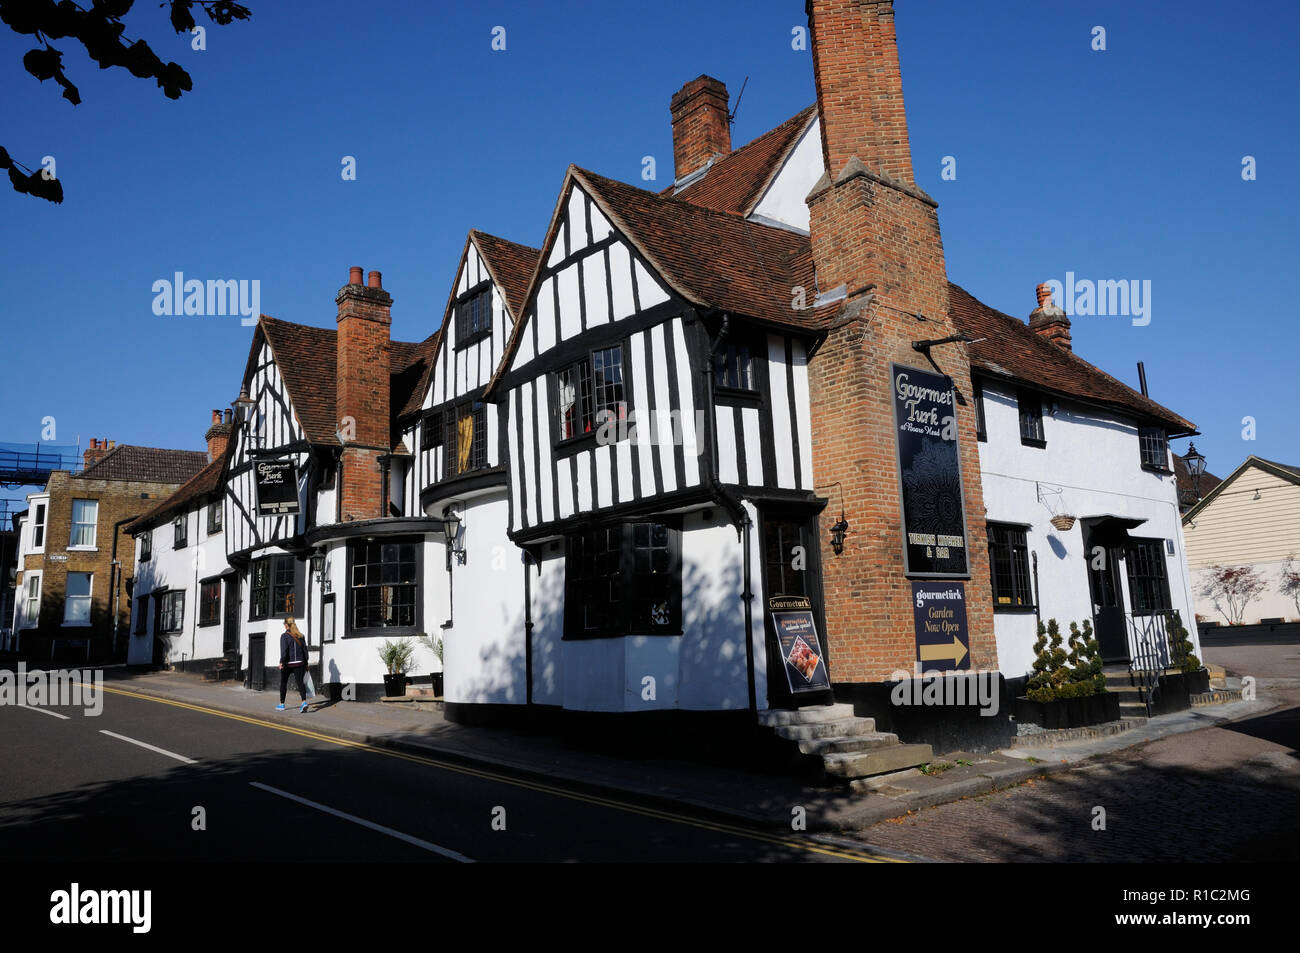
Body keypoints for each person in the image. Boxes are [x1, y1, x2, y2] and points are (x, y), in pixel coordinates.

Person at [277, 617, 310, 712]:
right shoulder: (301, 636)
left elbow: (284, 651)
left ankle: (282, 704)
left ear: (286, 625)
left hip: (288, 663)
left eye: (284, 624)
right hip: (300, 663)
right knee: (300, 683)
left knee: (283, 682)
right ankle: (304, 702)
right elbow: (305, 651)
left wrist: (281, 662)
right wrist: (306, 663)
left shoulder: (284, 636)